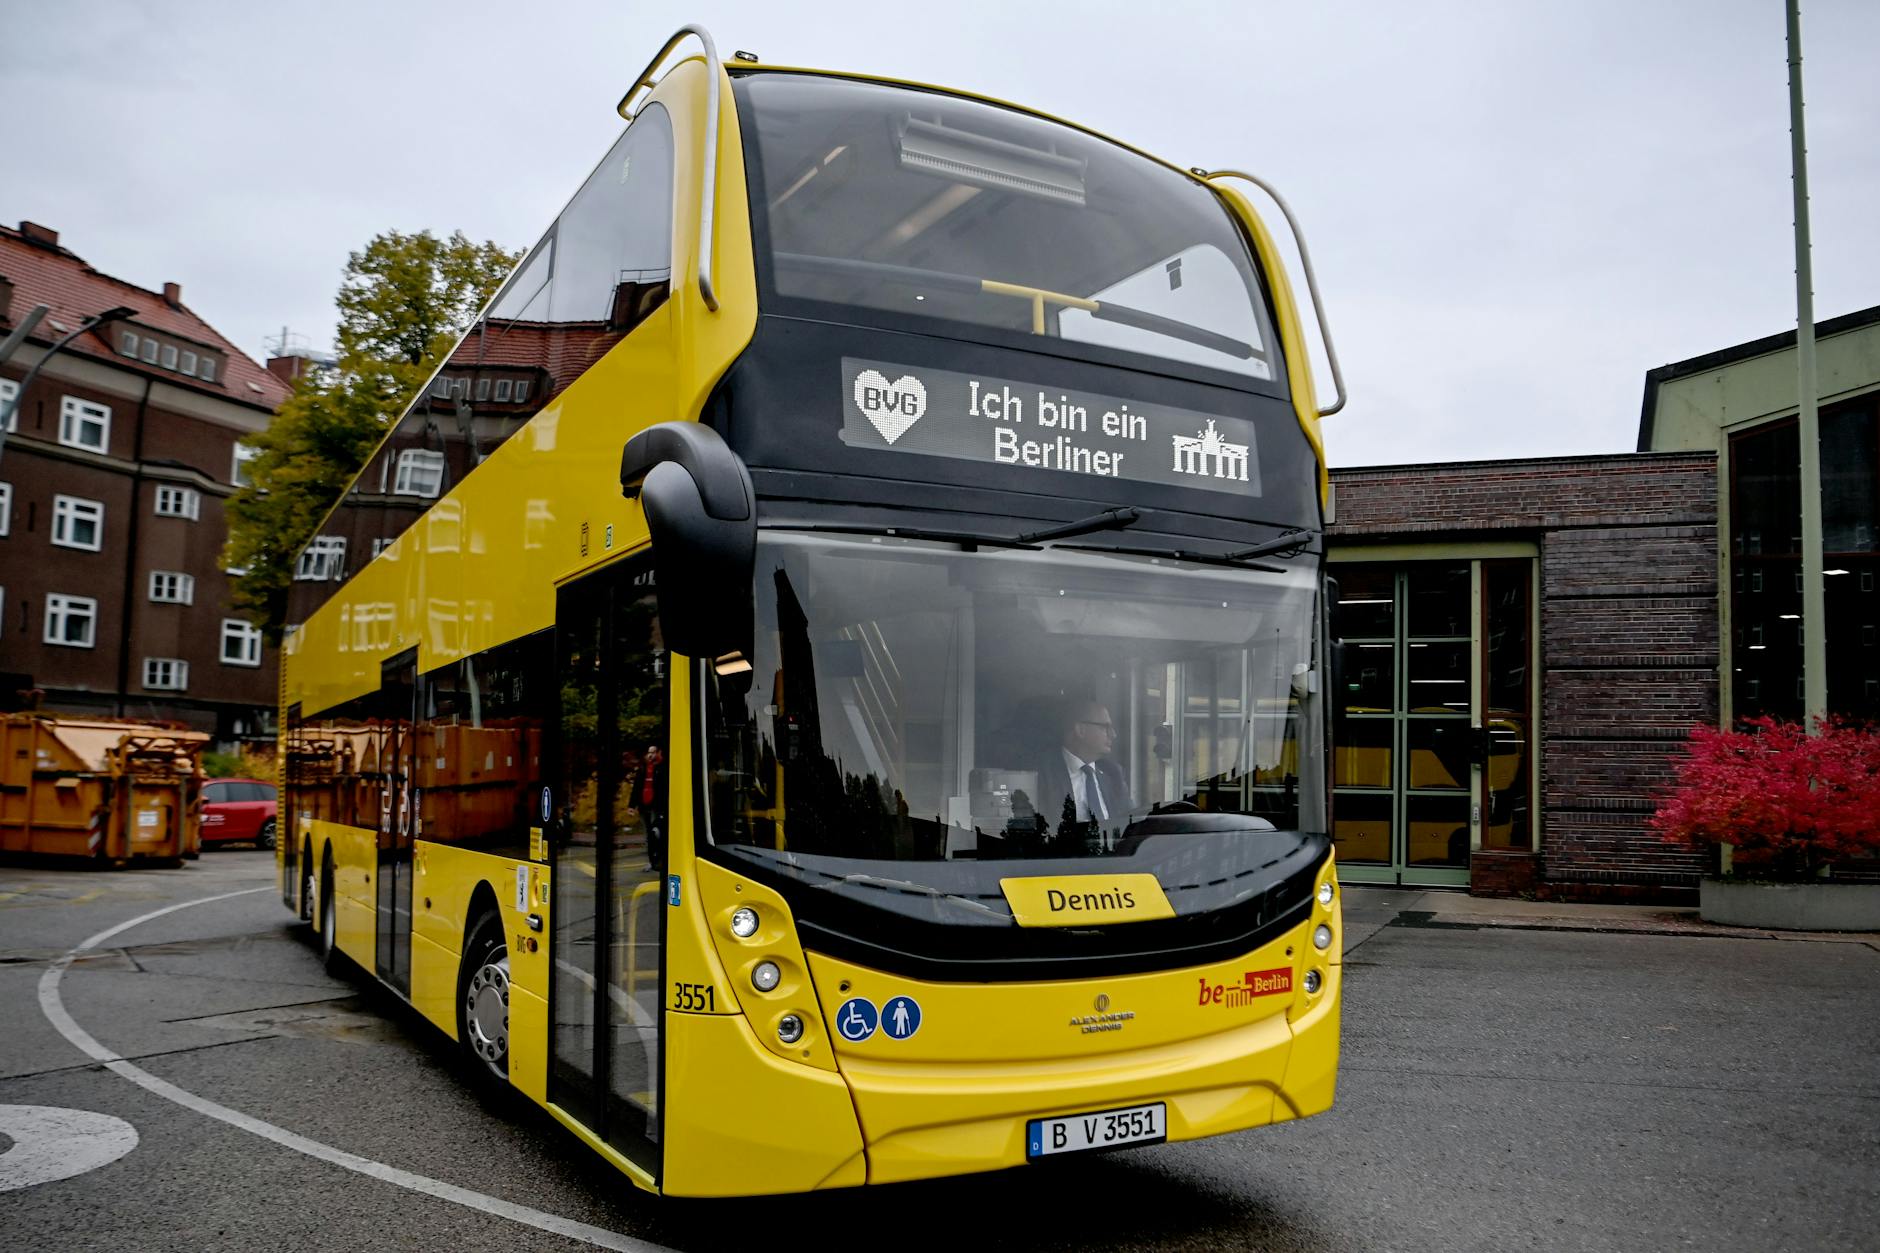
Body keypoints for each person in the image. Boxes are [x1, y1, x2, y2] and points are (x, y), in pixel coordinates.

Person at [1036, 698, 1134, 849]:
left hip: (1113, 862)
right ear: (1080, 730)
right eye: (1104, 727)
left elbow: (1130, 823)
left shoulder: (1113, 773)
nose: (1113, 734)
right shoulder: (1043, 773)